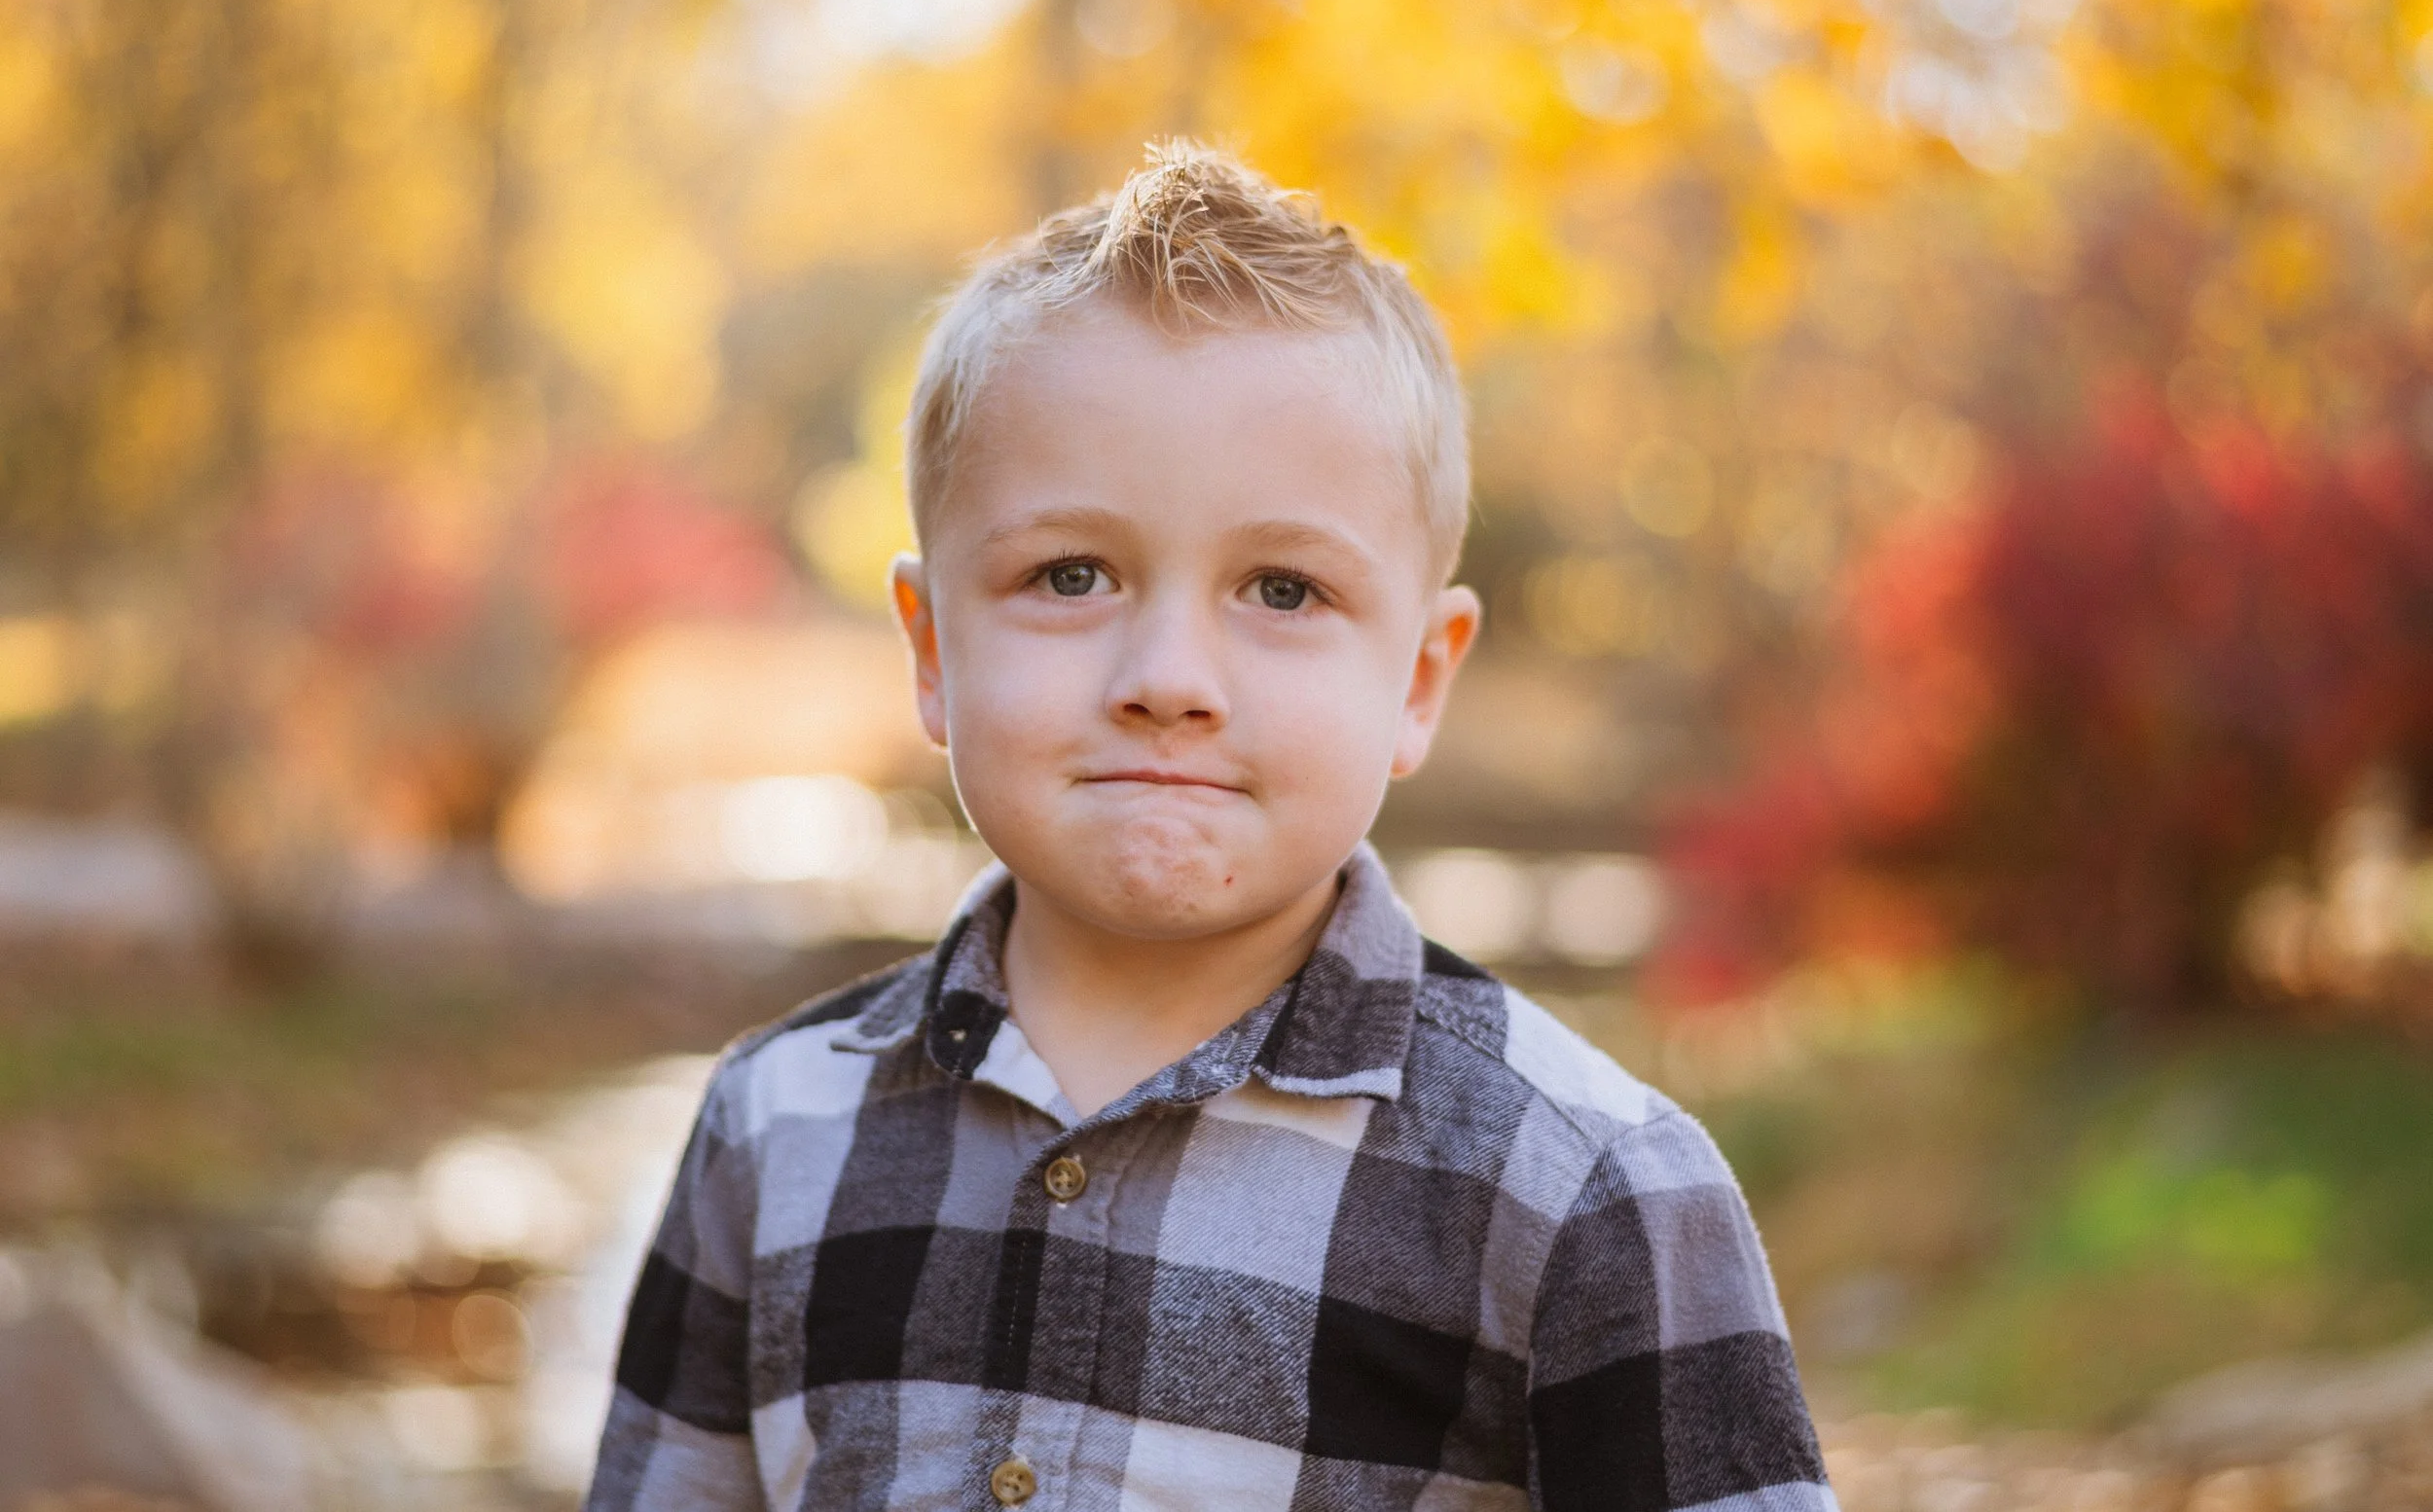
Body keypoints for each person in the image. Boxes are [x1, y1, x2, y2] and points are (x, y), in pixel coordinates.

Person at [585, 141, 1834, 1512]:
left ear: (1418, 679)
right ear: (932, 648)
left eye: (1283, 590)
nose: (1170, 677)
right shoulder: (772, 1129)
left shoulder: (1588, 1190)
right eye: (1071, 573)